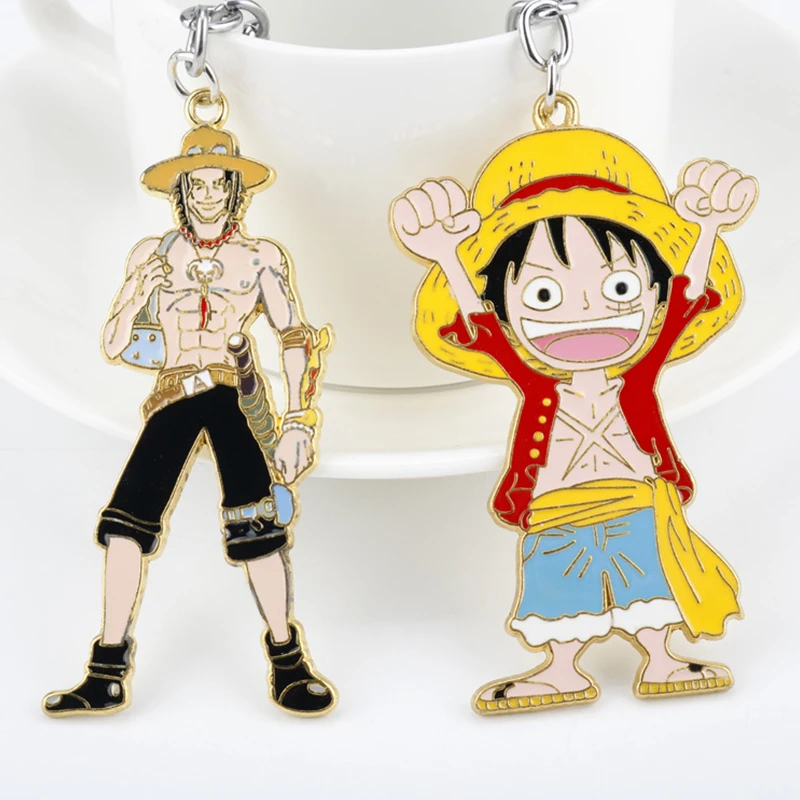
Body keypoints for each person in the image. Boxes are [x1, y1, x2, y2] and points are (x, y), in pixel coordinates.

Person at [392, 127, 757, 714]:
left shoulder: (639, 373)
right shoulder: (534, 381)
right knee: (557, 590)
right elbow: (479, 324)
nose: (585, 310)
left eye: (619, 287)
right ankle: (562, 670)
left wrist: (708, 227)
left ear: (653, 293)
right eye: (543, 295)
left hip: (636, 501)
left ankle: (660, 658)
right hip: (553, 510)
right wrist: (445, 257)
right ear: (507, 304)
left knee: (648, 583)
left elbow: (687, 296)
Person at [44, 116, 335, 717]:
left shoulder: (260, 258)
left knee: (259, 531)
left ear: (235, 189)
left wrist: (299, 421)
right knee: (125, 526)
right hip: (173, 394)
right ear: (181, 190)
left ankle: (289, 663)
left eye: (218, 183)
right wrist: (134, 293)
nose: (207, 195)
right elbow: (116, 345)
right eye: (196, 184)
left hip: (233, 394)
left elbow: (295, 337)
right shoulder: (153, 254)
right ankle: (105, 672)